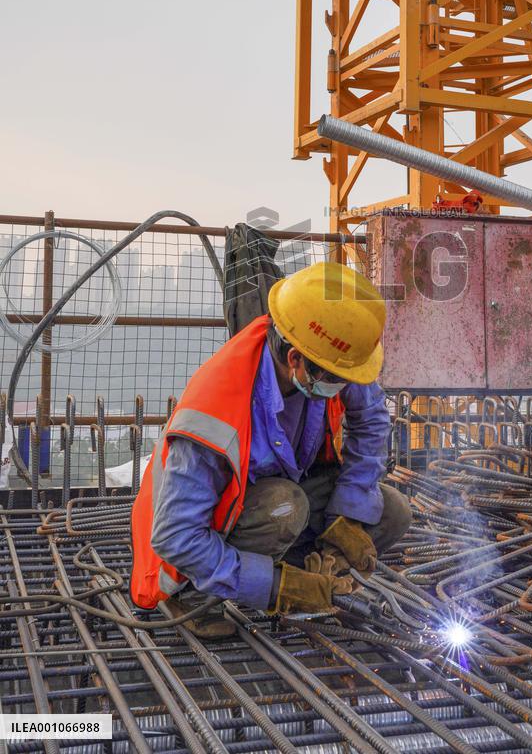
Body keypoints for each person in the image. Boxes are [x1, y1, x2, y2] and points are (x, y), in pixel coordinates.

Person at [129, 262, 411, 636]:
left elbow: (372, 420)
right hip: (193, 536)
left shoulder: (327, 354)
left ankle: (308, 574)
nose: (346, 388)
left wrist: (348, 517)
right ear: (295, 359)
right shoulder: (217, 408)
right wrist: (276, 588)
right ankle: (195, 596)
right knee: (285, 505)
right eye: (338, 380)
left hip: (279, 495)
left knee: (391, 511)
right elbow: (175, 537)